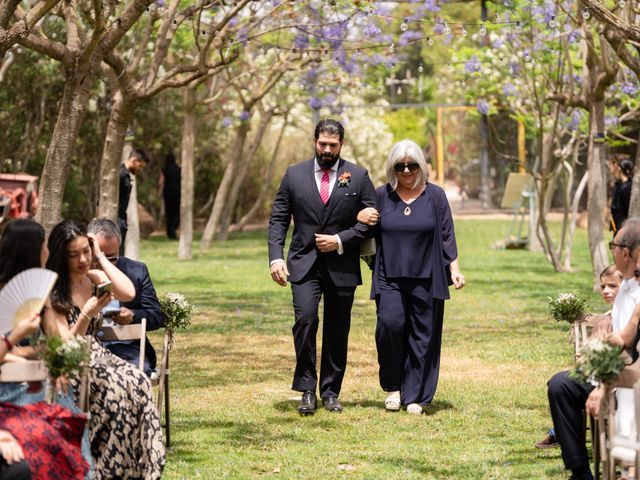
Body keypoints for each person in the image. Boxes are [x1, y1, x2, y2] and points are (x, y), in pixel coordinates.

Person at [268, 118, 376, 415]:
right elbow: (278, 219)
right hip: (303, 264)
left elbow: (372, 222)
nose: (327, 149)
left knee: (337, 329)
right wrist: (276, 257)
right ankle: (306, 390)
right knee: (305, 322)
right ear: (314, 142)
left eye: (333, 145)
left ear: (341, 144)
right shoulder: (293, 175)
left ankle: (330, 391)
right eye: (322, 144)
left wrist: (340, 240)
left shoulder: (358, 176)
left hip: (342, 266)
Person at [44, 220, 165, 479]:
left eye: (85, 252)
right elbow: (66, 346)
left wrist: (100, 256)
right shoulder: (53, 291)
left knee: (139, 381)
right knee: (117, 391)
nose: (82, 260)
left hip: (100, 354)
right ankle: (109, 468)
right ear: (60, 256)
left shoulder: (95, 276)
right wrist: (87, 313)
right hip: (74, 360)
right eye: (74, 255)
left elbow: (128, 292)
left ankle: (143, 467)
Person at [357, 139, 465, 415]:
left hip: (427, 277)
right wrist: (359, 215)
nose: (406, 171)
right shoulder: (382, 195)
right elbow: (364, 228)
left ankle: (416, 395)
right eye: (400, 166)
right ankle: (394, 387)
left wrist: (455, 270)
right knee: (389, 327)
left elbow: (447, 237)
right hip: (389, 276)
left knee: (423, 337)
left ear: (421, 167)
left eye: (412, 165)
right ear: (393, 168)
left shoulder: (436, 196)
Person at [546, 218, 640, 480]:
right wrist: (607, 318)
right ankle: (580, 471)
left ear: (626, 252)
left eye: (614, 245)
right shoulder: (627, 285)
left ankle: (628, 469)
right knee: (561, 385)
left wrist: (603, 383)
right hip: (614, 367)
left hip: (629, 375)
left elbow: (629, 345)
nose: (611, 250)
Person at [0, 219, 88, 479]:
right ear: (32, 249)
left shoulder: (41, 294)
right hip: (7, 386)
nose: (48, 250)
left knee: (65, 413)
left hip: (39, 379)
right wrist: (22, 352)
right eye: (43, 244)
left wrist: (57, 362)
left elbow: (54, 341)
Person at [535, 265, 623, 449]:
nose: (606, 291)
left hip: (620, 378)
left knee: (565, 384)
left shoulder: (625, 313)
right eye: (603, 286)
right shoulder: (608, 316)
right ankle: (562, 433)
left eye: (612, 286)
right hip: (598, 372)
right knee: (559, 382)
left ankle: (561, 432)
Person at [88, 218, 164, 376]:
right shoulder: (78, 272)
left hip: (127, 348)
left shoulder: (136, 271)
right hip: (88, 348)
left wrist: (133, 316)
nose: (103, 263)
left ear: (119, 249)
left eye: (111, 258)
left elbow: (156, 315)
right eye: (97, 256)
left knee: (135, 373)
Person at [119, 148, 149, 253]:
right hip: (115, 220)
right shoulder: (120, 174)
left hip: (121, 219)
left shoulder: (126, 174)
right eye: (140, 166)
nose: (140, 169)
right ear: (134, 160)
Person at [609, 155, 634, 234]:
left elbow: (627, 211)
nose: (610, 168)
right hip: (618, 227)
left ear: (619, 168)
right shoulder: (619, 185)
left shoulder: (626, 189)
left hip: (623, 229)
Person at [161, 152, 181, 239]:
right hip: (177, 193)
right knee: (176, 211)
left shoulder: (164, 169)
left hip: (167, 193)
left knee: (169, 212)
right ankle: (174, 227)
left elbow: (161, 181)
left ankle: (170, 232)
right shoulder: (179, 169)